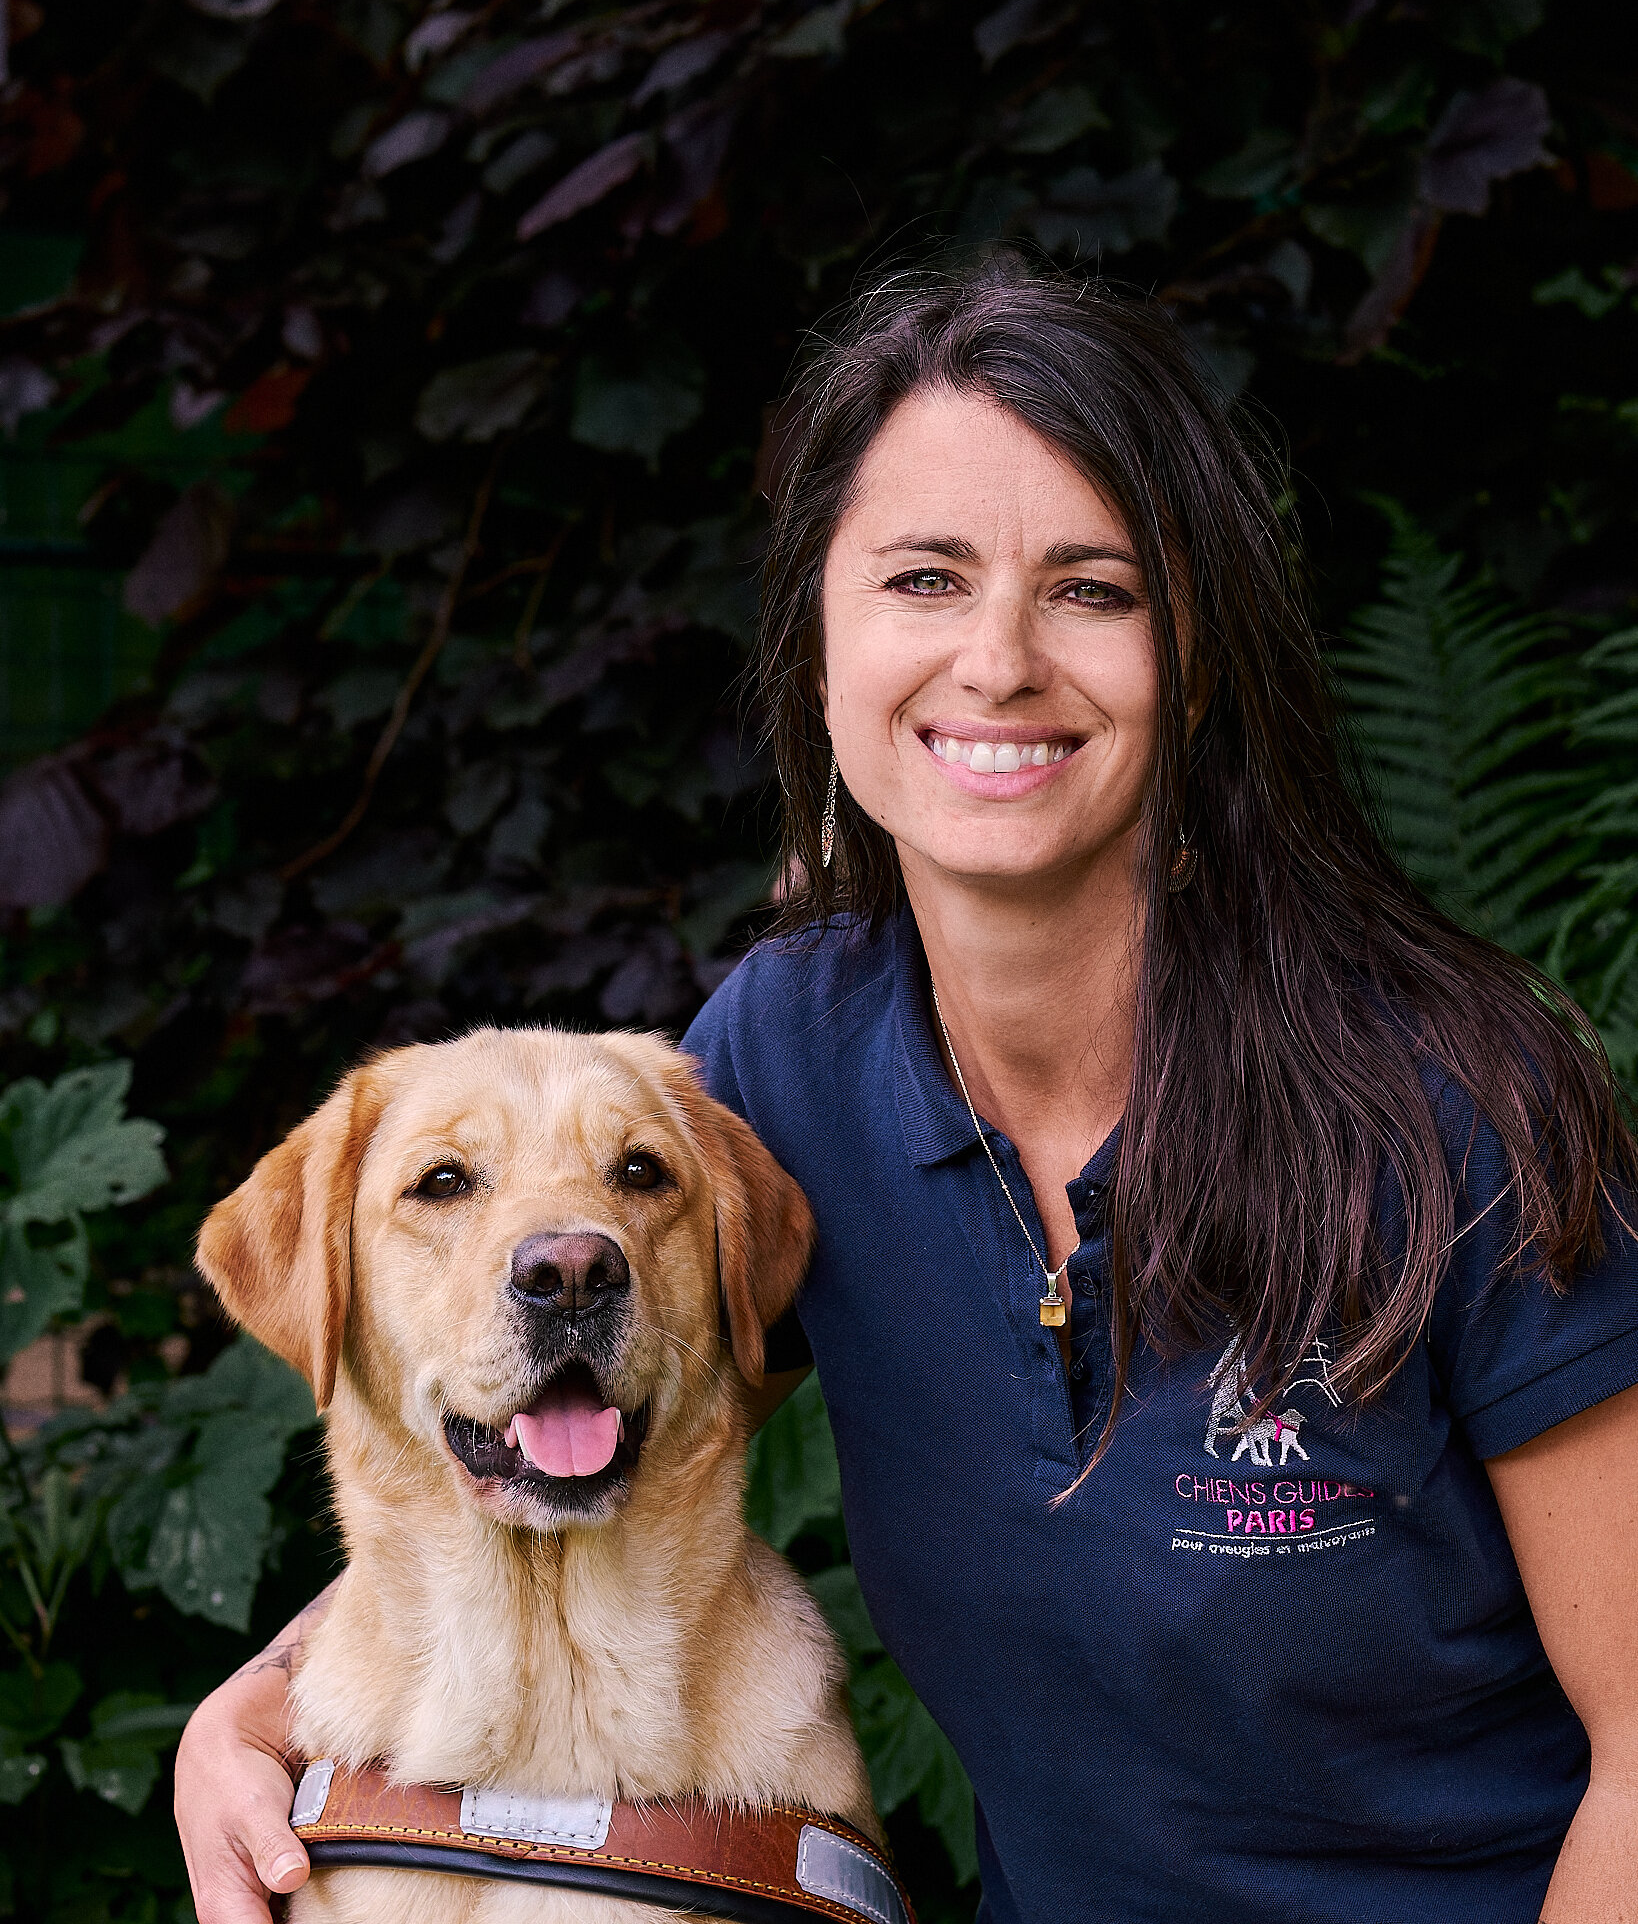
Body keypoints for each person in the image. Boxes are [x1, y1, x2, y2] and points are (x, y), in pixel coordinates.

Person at [175, 261, 1638, 1924]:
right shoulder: (783, 1064)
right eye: (925, 579)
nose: (998, 660)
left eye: (1091, 588)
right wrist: (255, 1710)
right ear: (820, 651)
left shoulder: (1452, 1111)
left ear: (1201, 657)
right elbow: (566, 1384)